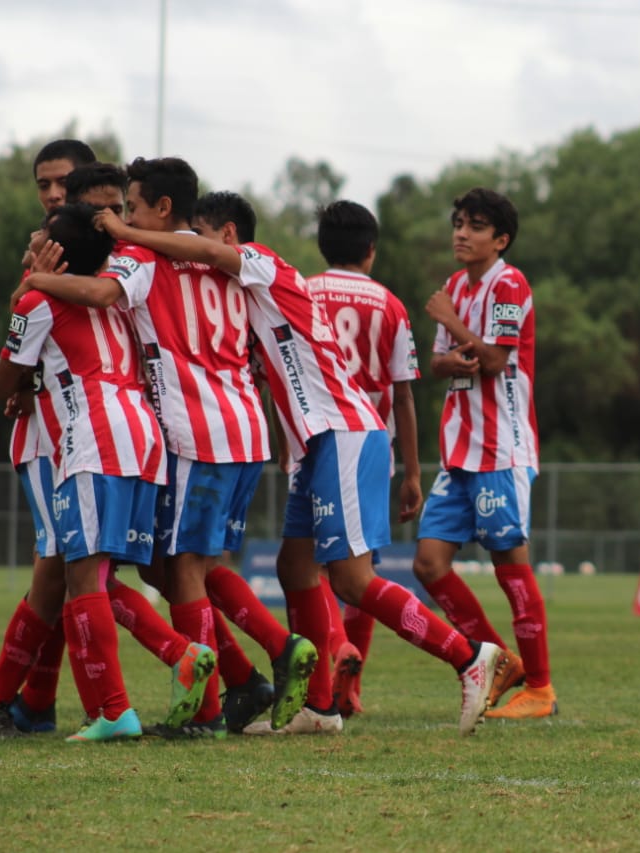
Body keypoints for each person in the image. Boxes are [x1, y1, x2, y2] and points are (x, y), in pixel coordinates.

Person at [92, 190, 501, 737]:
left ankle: (468, 655)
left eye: (203, 242)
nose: (192, 257)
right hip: (317, 441)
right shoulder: (240, 297)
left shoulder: (264, 263)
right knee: (293, 568)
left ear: (230, 237)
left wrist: (129, 233)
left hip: (345, 429)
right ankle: (320, 708)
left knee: (352, 580)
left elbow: (209, 259)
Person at [21, 158, 317, 738]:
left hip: (193, 429)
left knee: (180, 570)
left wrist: (35, 279)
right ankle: (272, 656)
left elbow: (104, 293)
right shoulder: (224, 256)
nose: (121, 218)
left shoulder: (144, 255)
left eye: (129, 207)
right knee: (191, 565)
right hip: (246, 427)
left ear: (159, 209)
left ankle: (206, 709)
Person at [0, 202, 212, 742]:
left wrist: (26, 287)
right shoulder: (118, 295)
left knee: (83, 577)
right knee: (95, 576)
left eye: (41, 237)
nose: (34, 239)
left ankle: (115, 710)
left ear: (54, 253)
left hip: (92, 438)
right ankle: (173, 658)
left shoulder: (39, 299)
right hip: (143, 438)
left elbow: (1, 384)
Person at [0, 140, 98, 735]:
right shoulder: (44, 252)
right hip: (48, 431)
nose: (51, 194)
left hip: (89, 432)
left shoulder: (106, 253)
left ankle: (21, 701)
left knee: (68, 569)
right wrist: (24, 376)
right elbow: (23, 328)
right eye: (43, 184)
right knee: (63, 565)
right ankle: (33, 703)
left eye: (62, 183)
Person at [411, 187, 558, 720]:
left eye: (474, 226)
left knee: (508, 563)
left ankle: (540, 688)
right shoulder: (454, 285)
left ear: (500, 240)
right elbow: (439, 365)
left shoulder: (509, 284)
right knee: (428, 563)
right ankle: (501, 663)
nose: (460, 233)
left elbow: (494, 359)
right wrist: (456, 352)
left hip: (502, 449)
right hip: (460, 450)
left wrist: (453, 325)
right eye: (458, 223)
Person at [305, 200, 423, 719]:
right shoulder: (392, 305)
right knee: (363, 569)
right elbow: (403, 396)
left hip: (316, 441)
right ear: (371, 251)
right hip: (373, 447)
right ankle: (350, 691)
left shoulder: (302, 293)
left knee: (309, 566)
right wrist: (414, 471)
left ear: (322, 246)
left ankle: (332, 658)